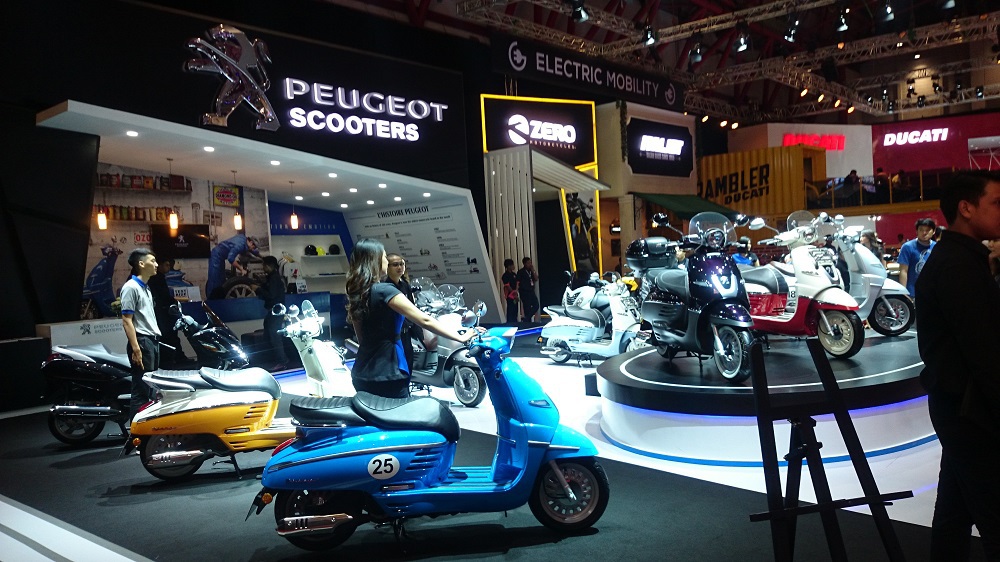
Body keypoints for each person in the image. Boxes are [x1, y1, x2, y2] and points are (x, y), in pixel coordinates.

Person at [915, 170, 1000, 560]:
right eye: (996, 203)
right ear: (966, 208)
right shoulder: (957, 266)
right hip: (969, 411)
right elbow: (984, 353)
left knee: (954, 510)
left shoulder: (964, 259)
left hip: (960, 406)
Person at [346, 238, 483, 399]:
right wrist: (460, 336)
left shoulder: (357, 293)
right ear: (375, 260)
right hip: (389, 371)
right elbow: (424, 320)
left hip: (362, 371)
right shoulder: (385, 290)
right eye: (384, 257)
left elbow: (362, 338)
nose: (386, 261)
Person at [121, 248, 161, 421]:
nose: (156, 264)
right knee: (141, 390)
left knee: (150, 388)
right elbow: (126, 320)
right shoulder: (131, 287)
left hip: (151, 341)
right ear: (141, 264)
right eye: (153, 261)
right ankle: (136, 432)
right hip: (143, 342)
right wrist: (136, 348)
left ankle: (145, 428)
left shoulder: (146, 288)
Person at [385, 252, 417, 375]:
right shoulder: (384, 287)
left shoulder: (405, 285)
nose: (400, 267)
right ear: (387, 267)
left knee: (408, 363)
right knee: (396, 366)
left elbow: (412, 308)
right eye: (395, 265)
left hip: (406, 333)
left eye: (402, 264)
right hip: (392, 335)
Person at [256, 255, 289, 371]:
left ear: (269, 266)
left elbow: (271, 295)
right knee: (269, 335)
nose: (263, 267)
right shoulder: (272, 278)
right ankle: (275, 359)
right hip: (274, 311)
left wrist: (258, 289)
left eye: (264, 265)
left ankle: (282, 361)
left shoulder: (274, 278)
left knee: (275, 337)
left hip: (276, 312)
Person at [148, 257, 181, 367]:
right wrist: (173, 301)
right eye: (166, 265)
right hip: (161, 313)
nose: (168, 268)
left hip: (161, 312)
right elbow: (163, 296)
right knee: (169, 336)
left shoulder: (158, 277)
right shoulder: (157, 278)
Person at [206, 234, 259, 299]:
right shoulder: (240, 245)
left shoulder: (243, 239)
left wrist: (260, 256)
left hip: (220, 257)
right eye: (253, 247)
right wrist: (241, 269)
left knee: (221, 279)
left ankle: (219, 299)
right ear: (251, 242)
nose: (253, 249)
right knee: (214, 279)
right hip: (216, 256)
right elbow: (230, 259)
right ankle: (211, 300)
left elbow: (248, 249)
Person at [898, 217, 937, 297]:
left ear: (933, 231)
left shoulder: (937, 247)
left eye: (927, 230)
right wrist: (903, 292)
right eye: (921, 230)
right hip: (913, 293)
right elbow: (903, 271)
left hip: (933, 293)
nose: (924, 233)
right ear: (916, 231)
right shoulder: (907, 247)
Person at [516, 257, 539, 323]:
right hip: (524, 292)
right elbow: (517, 282)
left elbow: (536, 278)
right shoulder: (521, 272)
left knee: (536, 305)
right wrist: (516, 291)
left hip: (531, 291)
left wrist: (533, 270)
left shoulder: (531, 271)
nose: (530, 264)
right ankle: (528, 322)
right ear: (524, 264)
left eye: (530, 262)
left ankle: (526, 319)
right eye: (528, 263)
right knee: (527, 308)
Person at [501, 258, 519, 325]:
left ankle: (515, 322)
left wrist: (516, 291)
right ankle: (510, 323)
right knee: (510, 309)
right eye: (512, 265)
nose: (513, 266)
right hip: (509, 295)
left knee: (515, 310)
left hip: (515, 295)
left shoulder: (514, 274)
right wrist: (514, 294)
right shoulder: (505, 275)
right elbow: (508, 286)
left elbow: (517, 283)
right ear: (508, 266)